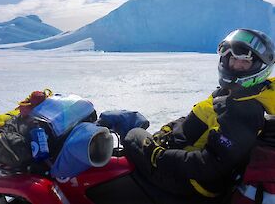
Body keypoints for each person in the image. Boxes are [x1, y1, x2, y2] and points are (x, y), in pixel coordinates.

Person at [98, 28, 275, 199]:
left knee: (133, 134)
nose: (235, 65)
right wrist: (169, 130)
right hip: (186, 164)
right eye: (231, 58)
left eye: (244, 62)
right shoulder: (232, 95)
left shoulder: (246, 110)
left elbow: (209, 165)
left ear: (259, 67)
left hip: (194, 185)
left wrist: (158, 156)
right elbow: (199, 118)